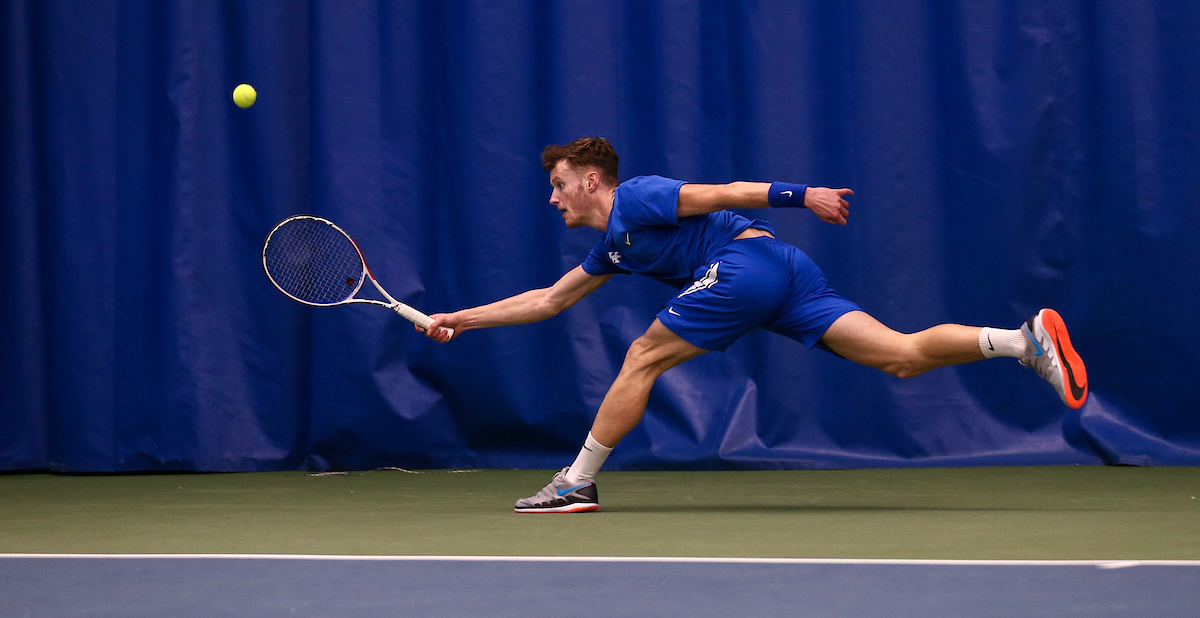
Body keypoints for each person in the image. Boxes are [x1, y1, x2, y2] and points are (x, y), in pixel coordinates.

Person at [422, 137, 1088, 513]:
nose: (552, 197)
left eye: (560, 184)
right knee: (902, 356)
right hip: (783, 272)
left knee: (643, 357)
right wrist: (461, 320)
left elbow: (725, 192)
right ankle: (1022, 341)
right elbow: (548, 300)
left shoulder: (638, 197)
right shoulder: (613, 247)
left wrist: (806, 196)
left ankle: (576, 480)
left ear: (591, 181)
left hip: (744, 263)